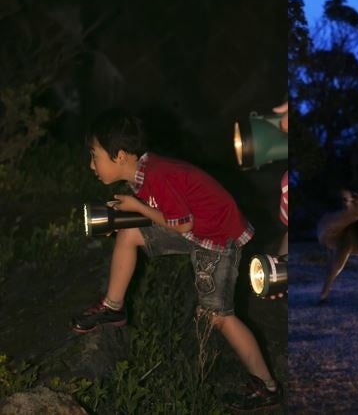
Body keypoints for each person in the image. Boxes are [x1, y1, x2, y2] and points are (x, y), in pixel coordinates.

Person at [71, 109, 281, 411]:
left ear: (120, 156)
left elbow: (181, 224)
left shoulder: (157, 175)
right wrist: (121, 218)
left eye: (95, 157)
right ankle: (112, 308)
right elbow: (168, 213)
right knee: (129, 235)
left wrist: (137, 209)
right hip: (198, 227)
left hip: (217, 239)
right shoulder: (143, 172)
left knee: (218, 317)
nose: (91, 165)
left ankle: (267, 387)